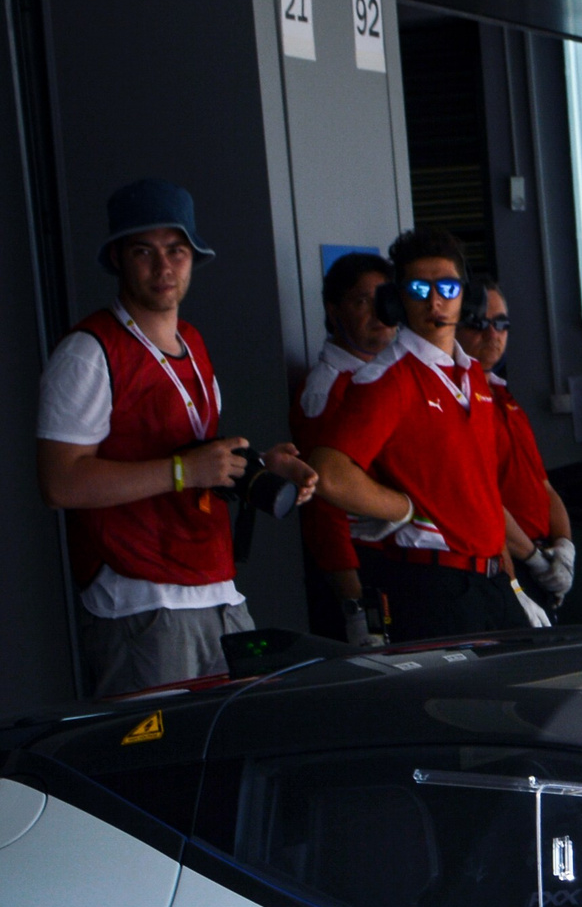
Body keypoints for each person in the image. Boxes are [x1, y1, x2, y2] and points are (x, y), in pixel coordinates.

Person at [35, 178, 316, 695]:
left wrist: (259, 465)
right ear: (118, 257)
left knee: (235, 749)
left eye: (177, 250)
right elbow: (60, 483)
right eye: (145, 251)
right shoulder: (88, 351)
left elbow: (192, 454)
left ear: (193, 258)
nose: (164, 268)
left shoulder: (193, 341)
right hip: (142, 600)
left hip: (215, 587)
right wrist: (182, 472)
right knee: (164, 768)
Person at [306, 227, 543, 642]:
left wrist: (514, 584)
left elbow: (483, 491)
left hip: (490, 579)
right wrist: (401, 509)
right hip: (431, 585)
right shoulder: (386, 378)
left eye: (447, 287)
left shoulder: (474, 374)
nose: (435, 301)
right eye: (419, 288)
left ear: (465, 297)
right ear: (397, 300)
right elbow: (329, 473)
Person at [457, 280, 575, 618]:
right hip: (508, 562)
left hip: (540, 558)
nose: (493, 333)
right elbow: (483, 500)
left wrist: (564, 549)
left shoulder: (505, 398)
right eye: (480, 323)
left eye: (502, 323)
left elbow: (544, 485)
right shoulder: (462, 400)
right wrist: (531, 562)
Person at [294, 249, 394, 644]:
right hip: (364, 568)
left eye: (383, 298)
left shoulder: (388, 375)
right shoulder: (327, 388)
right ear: (334, 312)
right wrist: (355, 605)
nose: (377, 312)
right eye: (360, 301)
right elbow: (322, 502)